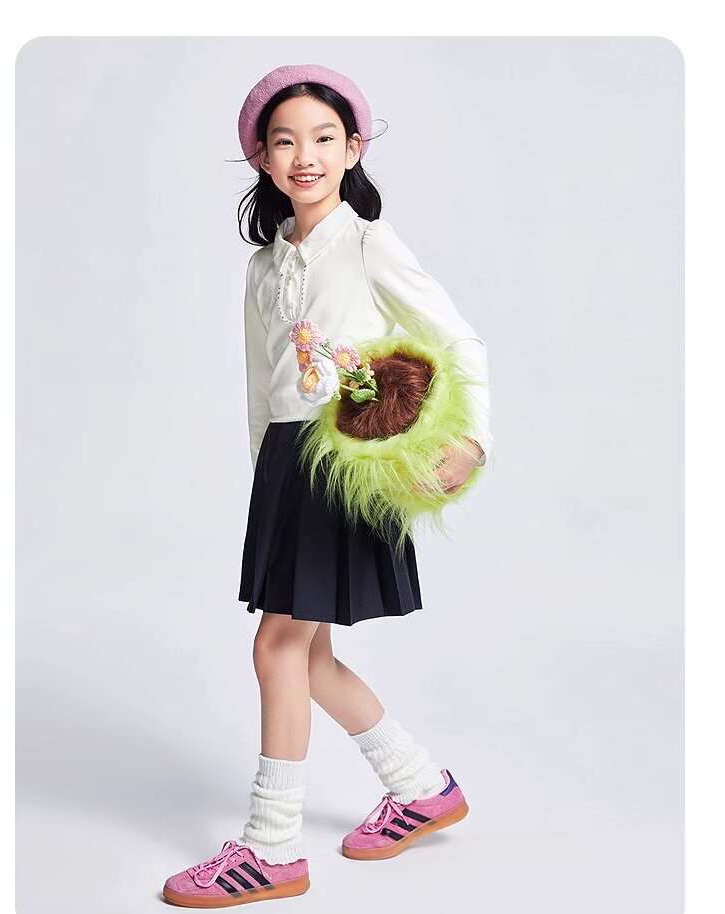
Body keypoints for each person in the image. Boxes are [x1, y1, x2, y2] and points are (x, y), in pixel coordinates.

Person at [163, 63, 494, 908]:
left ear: (352, 148)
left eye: (322, 138)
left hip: (340, 460)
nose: (304, 155)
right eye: (285, 141)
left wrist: (474, 442)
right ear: (263, 159)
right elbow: (260, 383)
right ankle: (421, 787)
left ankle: (273, 846)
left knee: (276, 647)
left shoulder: (368, 242)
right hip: (286, 465)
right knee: (306, 653)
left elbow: (461, 341)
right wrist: (266, 482)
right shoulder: (263, 265)